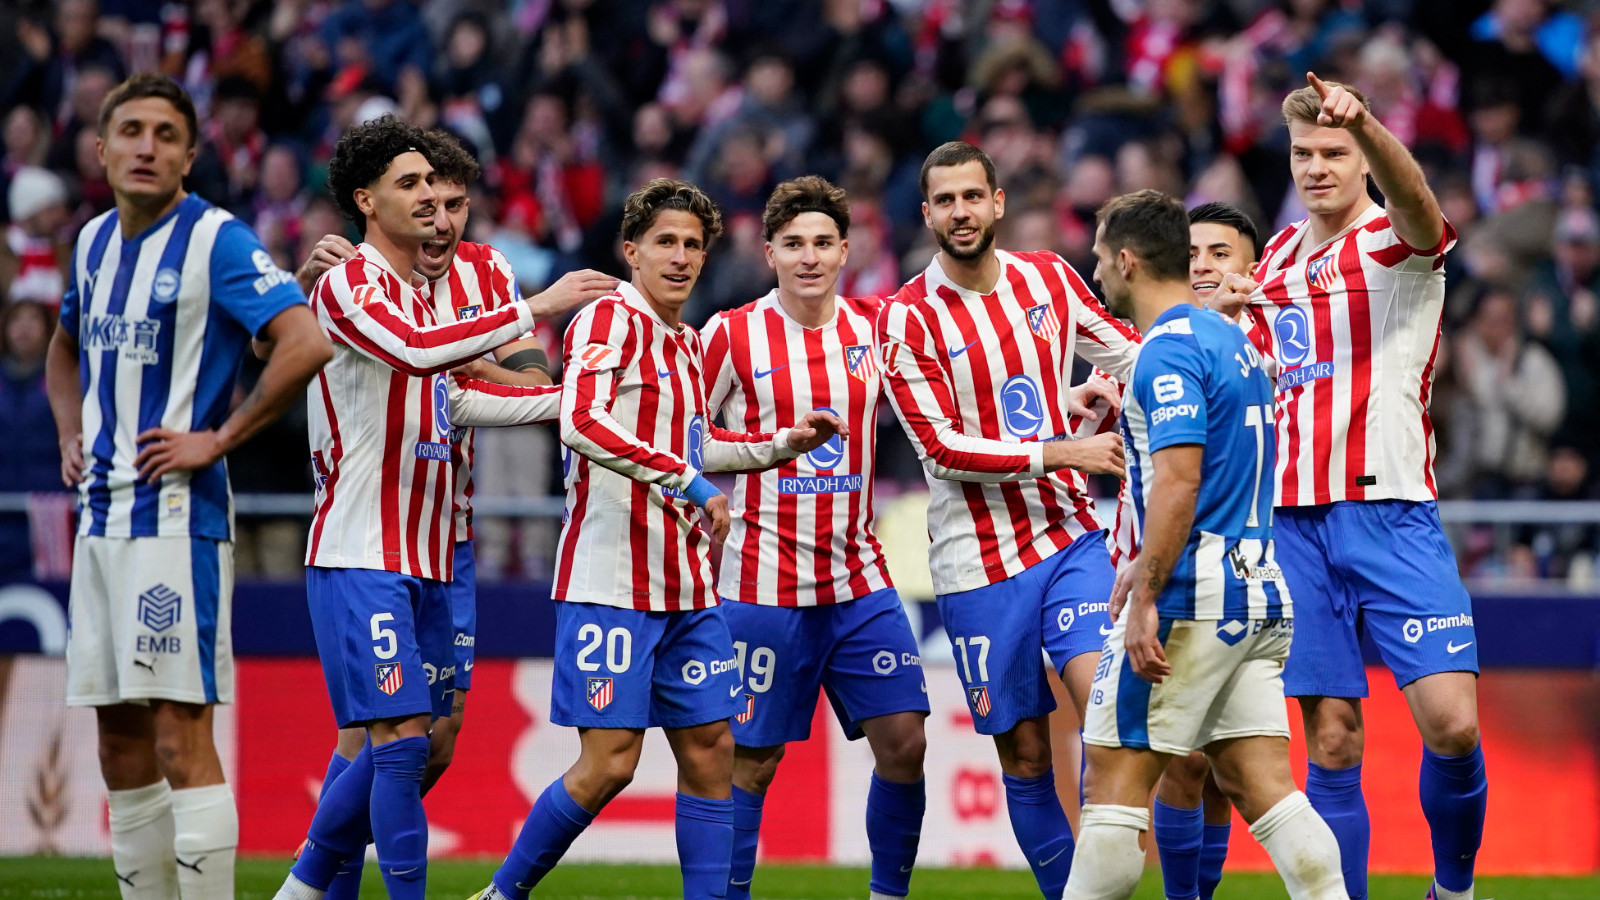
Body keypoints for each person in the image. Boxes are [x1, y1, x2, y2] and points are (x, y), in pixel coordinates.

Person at [470, 178, 844, 900]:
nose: (680, 257)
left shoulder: (686, 340)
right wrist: (690, 484)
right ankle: (503, 894)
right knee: (610, 763)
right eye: (665, 242)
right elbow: (583, 422)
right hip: (611, 580)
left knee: (712, 750)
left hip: (686, 585)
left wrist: (777, 446)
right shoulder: (610, 320)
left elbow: (694, 448)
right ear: (631, 250)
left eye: (693, 245)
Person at [272, 116, 607, 900]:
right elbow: (422, 354)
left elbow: (457, 398)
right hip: (363, 544)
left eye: (444, 192)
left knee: (421, 742)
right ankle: (332, 885)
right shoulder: (347, 280)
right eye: (416, 187)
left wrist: (577, 406)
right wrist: (542, 304)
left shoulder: (454, 285)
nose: (435, 207)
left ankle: (306, 886)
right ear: (367, 200)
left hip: (435, 545)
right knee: (392, 739)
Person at [43, 73, 332, 900]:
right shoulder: (94, 241)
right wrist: (70, 432)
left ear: (190, 154)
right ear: (99, 150)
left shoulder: (217, 241)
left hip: (177, 520)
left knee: (178, 735)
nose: (146, 146)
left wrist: (221, 437)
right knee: (118, 739)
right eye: (130, 131)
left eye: (166, 134)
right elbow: (63, 347)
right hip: (98, 521)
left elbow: (303, 341)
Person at [1209, 74, 1488, 900]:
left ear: (1363, 158)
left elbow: (1417, 197)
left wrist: (1366, 120)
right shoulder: (1281, 256)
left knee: (1453, 724)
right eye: (1305, 154)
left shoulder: (1395, 242)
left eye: (1336, 152)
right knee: (1330, 740)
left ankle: (1455, 889)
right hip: (1289, 526)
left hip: (1390, 511)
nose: (1319, 168)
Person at [1065, 189, 1345, 900]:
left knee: (1112, 781)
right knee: (1266, 789)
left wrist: (1146, 593)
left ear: (1127, 261)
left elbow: (1179, 483)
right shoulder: (1234, 343)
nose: (1097, 275)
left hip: (1197, 590)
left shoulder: (1166, 352)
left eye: (1100, 260)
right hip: (1259, 589)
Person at [877, 140, 1135, 898]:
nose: (960, 212)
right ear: (927, 215)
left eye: (972, 196)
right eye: (944, 201)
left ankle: (1109, 866)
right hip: (975, 566)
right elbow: (941, 448)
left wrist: (1130, 383)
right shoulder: (905, 319)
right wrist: (1066, 448)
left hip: (1068, 541)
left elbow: (1127, 352)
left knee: (1103, 702)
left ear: (997, 202)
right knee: (1024, 756)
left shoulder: (1048, 280)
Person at [700, 175, 929, 900]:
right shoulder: (731, 333)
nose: (808, 257)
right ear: (769, 252)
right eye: (794, 244)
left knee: (906, 744)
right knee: (752, 762)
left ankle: (886, 894)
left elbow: (942, 404)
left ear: (845, 251)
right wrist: (729, 474)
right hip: (763, 583)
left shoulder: (874, 329)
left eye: (823, 243)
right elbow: (681, 437)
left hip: (859, 578)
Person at [1147, 201, 1263, 900]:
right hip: (1183, 569)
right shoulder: (1162, 343)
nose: (1204, 266)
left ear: (1253, 269)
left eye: (1222, 254)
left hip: (1250, 569)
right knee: (1190, 761)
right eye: (1193, 253)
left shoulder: (1273, 345)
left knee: (1227, 766)